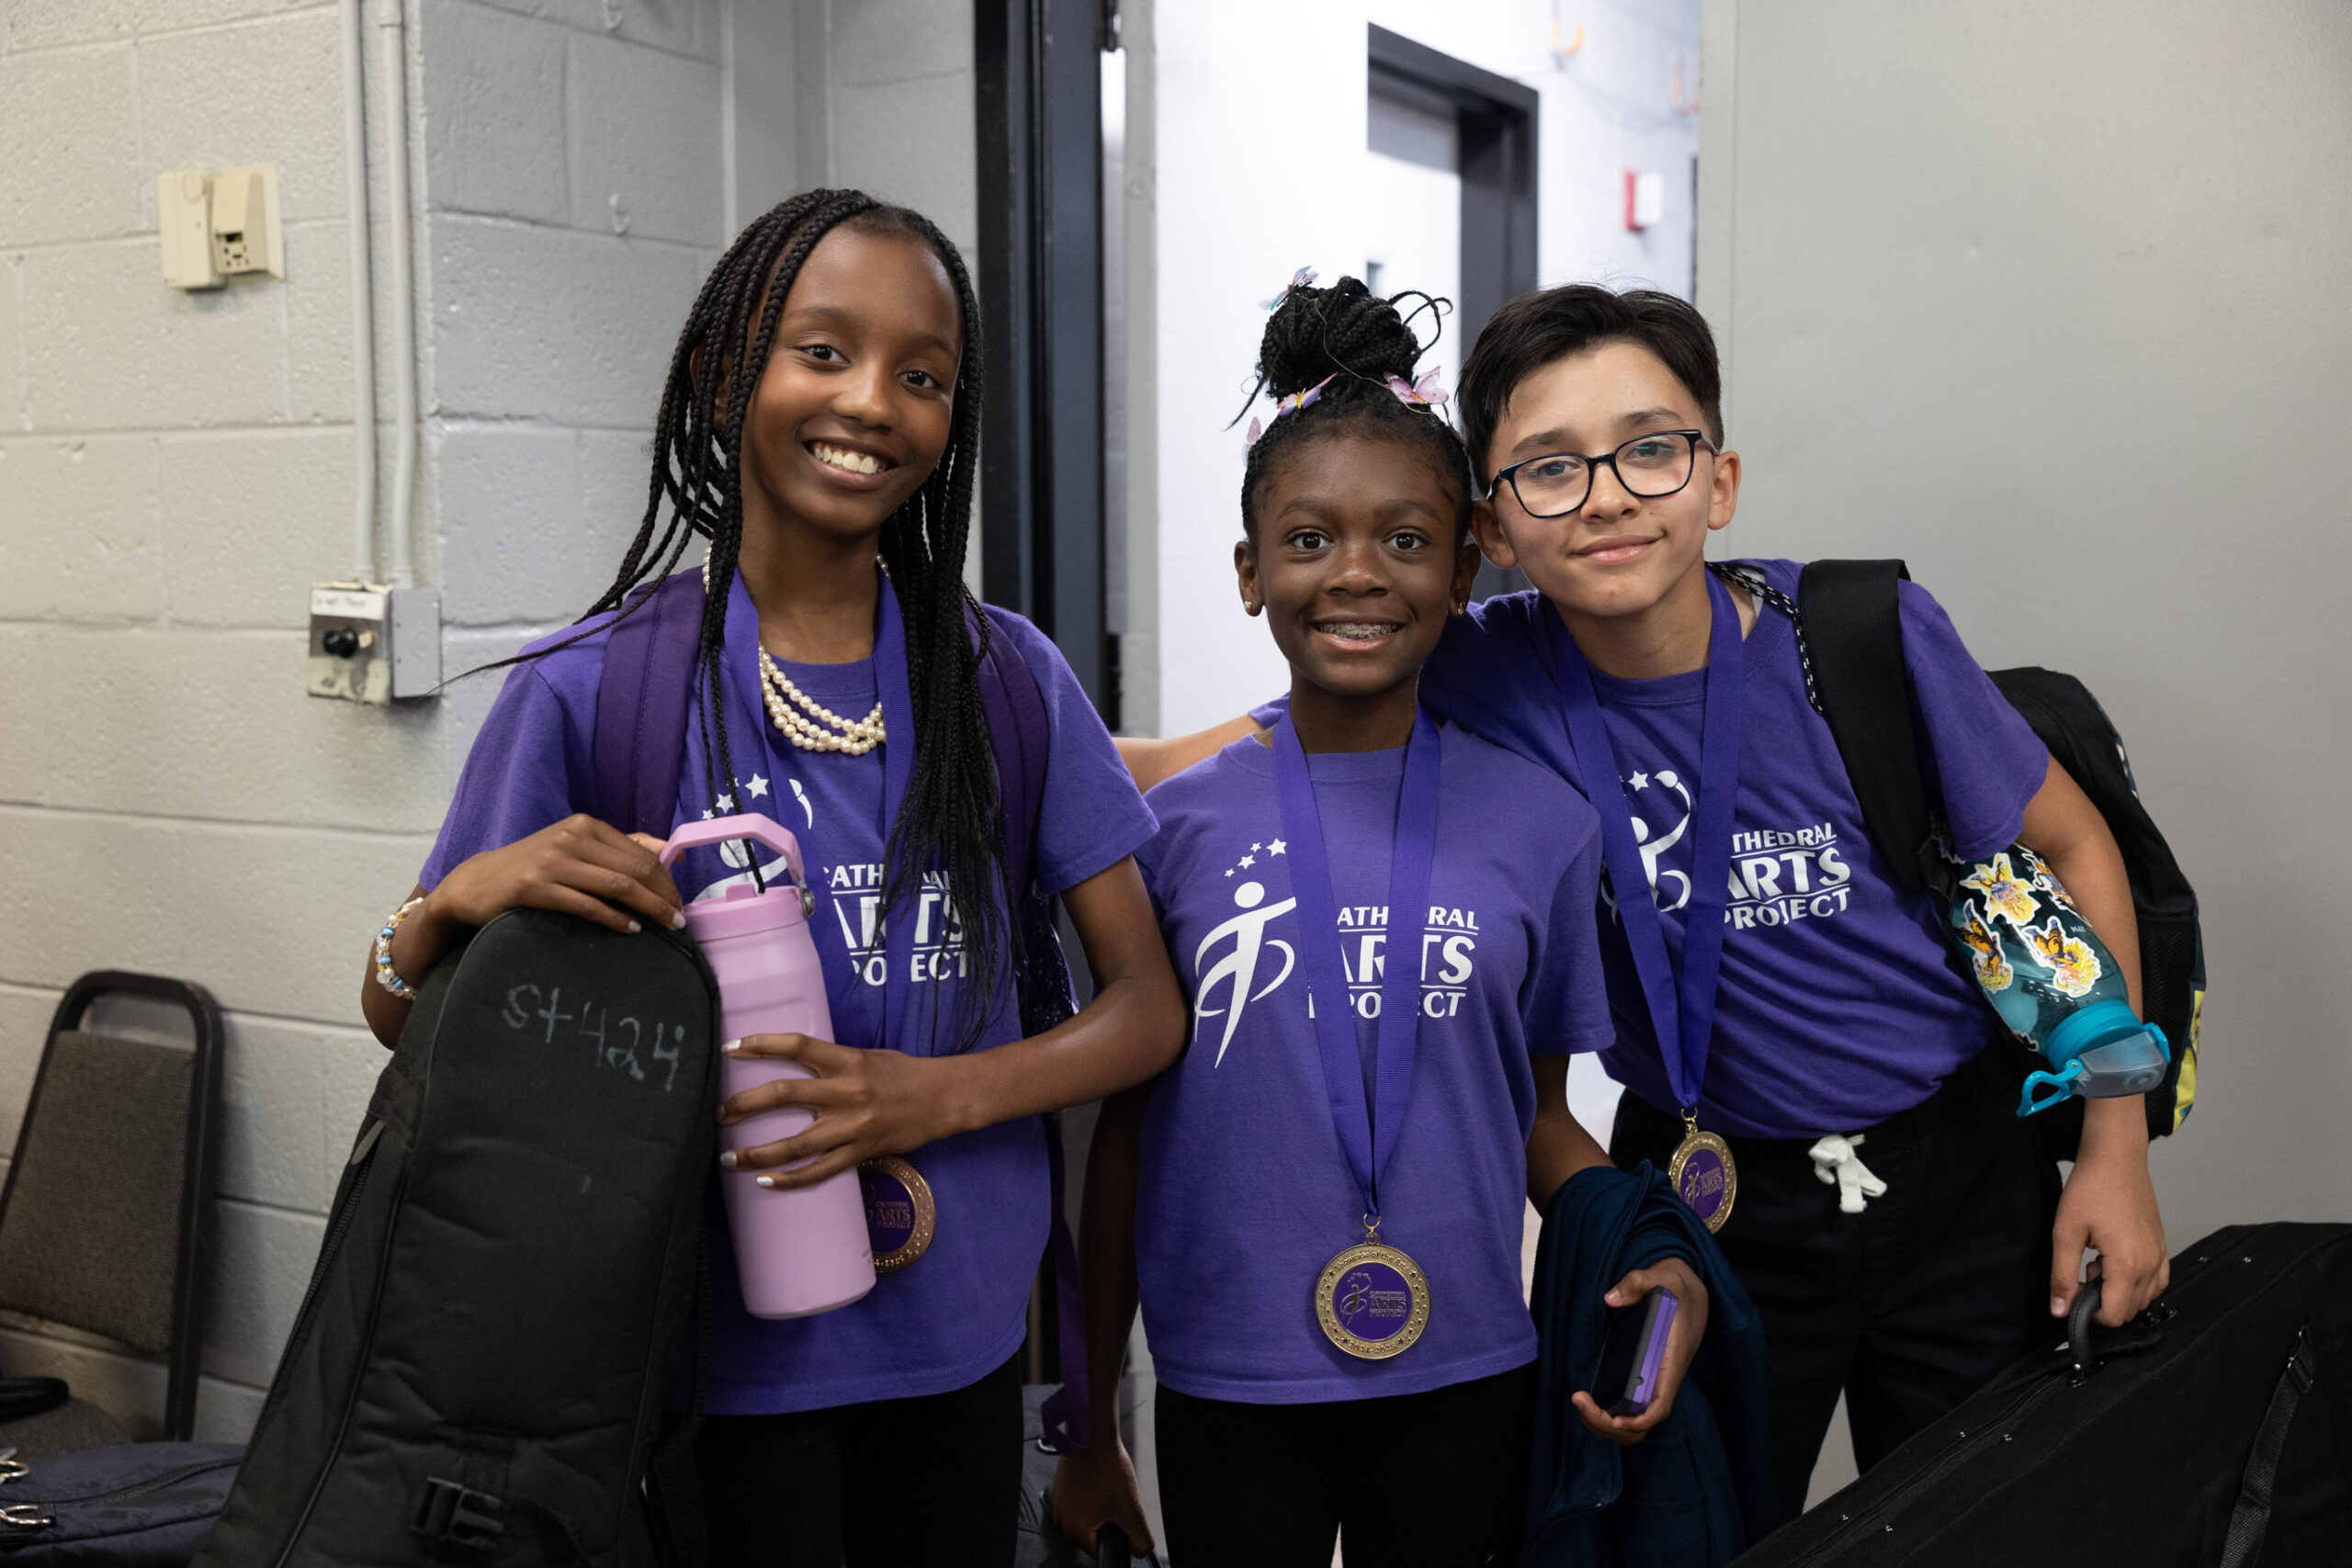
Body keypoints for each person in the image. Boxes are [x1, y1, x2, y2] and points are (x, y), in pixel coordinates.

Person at [1126, 283, 2170, 1526]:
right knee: (1691, 1528)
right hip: (1706, 1184)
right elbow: (1277, 736)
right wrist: (1044, 758)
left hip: (1957, 1172)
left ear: (1718, 482)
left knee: (1980, 1520)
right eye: (1550, 467)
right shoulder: (1482, 664)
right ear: (1494, 531)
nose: (1608, 493)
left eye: (1650, 450)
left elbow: (2071, 847)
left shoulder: (1859, 635)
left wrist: (2116, 1151)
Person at [356, 189, 1186, 1568]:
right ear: (720, 372)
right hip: (702, 1364)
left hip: (962, 1346)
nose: (872, 401)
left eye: (922, 375)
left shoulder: (1009, 685)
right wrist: (451, 904)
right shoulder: (593, 693)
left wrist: (936, 1095)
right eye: (821, 350)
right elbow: (400, 1017)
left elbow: (1148, 1007)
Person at [1053, 276, 1697, 1567]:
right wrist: (1084, 1423)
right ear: (1250, 572)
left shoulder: (1540, 826)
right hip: (1229, 1371)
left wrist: (1657, 1250)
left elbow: (1530, 1114)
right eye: (1309, 541)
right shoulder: (1174, 831)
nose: (1356, 574)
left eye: (1405, 540)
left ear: (1463, 567)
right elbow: (1122, 1137)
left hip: (1465, 1366)